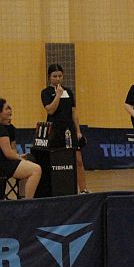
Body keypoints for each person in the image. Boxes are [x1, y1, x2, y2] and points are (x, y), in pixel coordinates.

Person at [41, 64, 88, 193]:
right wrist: (57, 95)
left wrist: (78, 131)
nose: (58, 79)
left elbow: (73, 112)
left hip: (69, 130)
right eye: (54, 76)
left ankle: (83, 190)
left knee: (78, 160)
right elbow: (50, 110)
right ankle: (56, 190)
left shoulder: (69, 92)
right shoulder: (46, 92)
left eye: (60, 76)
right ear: (49, 77)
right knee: (56, 161)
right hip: (54, 131)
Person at [0, 98, 42, 199]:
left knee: (28, 166)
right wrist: (20, 158)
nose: (9, 111)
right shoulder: (1, 130)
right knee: (36, 169)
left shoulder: (7, 128)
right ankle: (28, 203)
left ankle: (22, 198)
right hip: (3, 165)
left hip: (3, 162)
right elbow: (8, 153)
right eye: (6, 109)